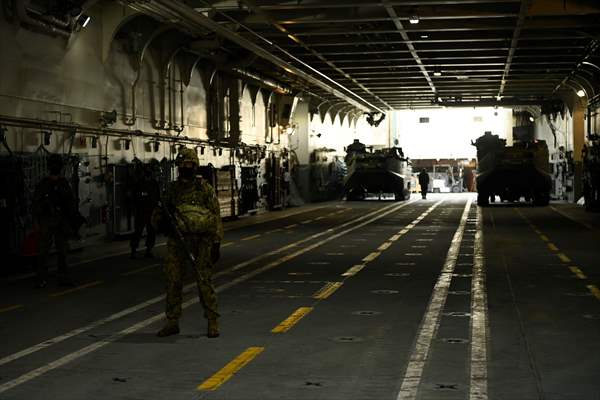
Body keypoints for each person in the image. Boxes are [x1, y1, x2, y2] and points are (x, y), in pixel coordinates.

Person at [154, 148, 223, 338]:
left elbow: (216, 216)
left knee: (204, 281)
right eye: (183, 165)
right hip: (178, 241)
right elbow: (159, 214)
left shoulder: (204, 189)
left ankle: (212, 321)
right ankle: (172, 321)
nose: (186, 168)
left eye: (190, 165)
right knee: (173, 281)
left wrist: (216, 243)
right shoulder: (172, 190)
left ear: (195, 166)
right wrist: (161, 223)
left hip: (202, 242)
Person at [32, 154, 78, 288]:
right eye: (54, 164)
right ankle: (41, 278)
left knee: (62, 251)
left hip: (61, 222)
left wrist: (71, 221)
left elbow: (70, 202)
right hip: (46, 221)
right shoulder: (43, 184)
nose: (55, 167)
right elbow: (36, 204)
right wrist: (36, 221)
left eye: (56, 164)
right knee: (43, 252)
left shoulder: (63, 183)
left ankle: (63, 278)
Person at [130, 165, 160, 259]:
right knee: (138, 231)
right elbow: (135, 197)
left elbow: (157, 196)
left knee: (151, 231)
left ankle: (149, 250)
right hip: (141, 210)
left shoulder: (154, 183)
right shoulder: (139, 183)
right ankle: (134, 250)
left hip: (151, 211)